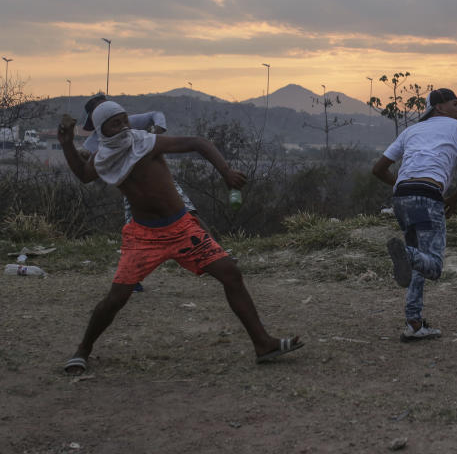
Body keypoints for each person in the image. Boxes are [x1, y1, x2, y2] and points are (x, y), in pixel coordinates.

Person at [57, 101, 303, 374]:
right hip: (143, 237)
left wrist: (226, 173)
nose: (124, 126)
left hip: (182, 229)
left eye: (125, 120)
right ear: (103, 130)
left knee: (230, 273)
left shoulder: (147, 143)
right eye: (116, 123)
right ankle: (83, 350)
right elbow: (83, 175)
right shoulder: (103, 157)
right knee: (116, 298)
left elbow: (198, 142)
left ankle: (263, 344)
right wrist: (67, 144)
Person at [372, 88, 457, 341]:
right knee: (435, 266)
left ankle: (415, 324)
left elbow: (378, 169)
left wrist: (405, 186)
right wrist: (454, 199)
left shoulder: (411, 131)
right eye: (455, 103)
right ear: (439, 107)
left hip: (401, 197)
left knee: (419, 262)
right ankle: (405, 254)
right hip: (428, 197)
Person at [80, 94, 206, 292]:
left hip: (159, 182)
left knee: (189, 212)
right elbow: (88, 170)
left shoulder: (128, 122)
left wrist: (157, 130)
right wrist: (83, 157)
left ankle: (213, 252)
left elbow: (156, 115)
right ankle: (132, 275)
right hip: (133, 190)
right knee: (134, 230)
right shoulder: (92, 143)